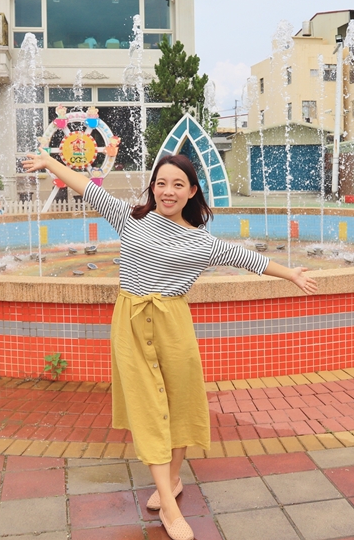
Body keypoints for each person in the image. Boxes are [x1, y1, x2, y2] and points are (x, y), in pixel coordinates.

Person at [22, 151, 316, 540]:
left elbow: (248, 258)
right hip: (130, 322)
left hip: (173, 324)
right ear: (152, 188)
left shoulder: (201, 241)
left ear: (192, 191)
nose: (168, 191)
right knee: (148, 409)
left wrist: (290, 273)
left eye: (178, 184)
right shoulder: (131, 220)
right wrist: (49, 162)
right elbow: (85, 187)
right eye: (161, 183)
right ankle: (170, 505)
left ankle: (173, 480)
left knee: (180, 404)